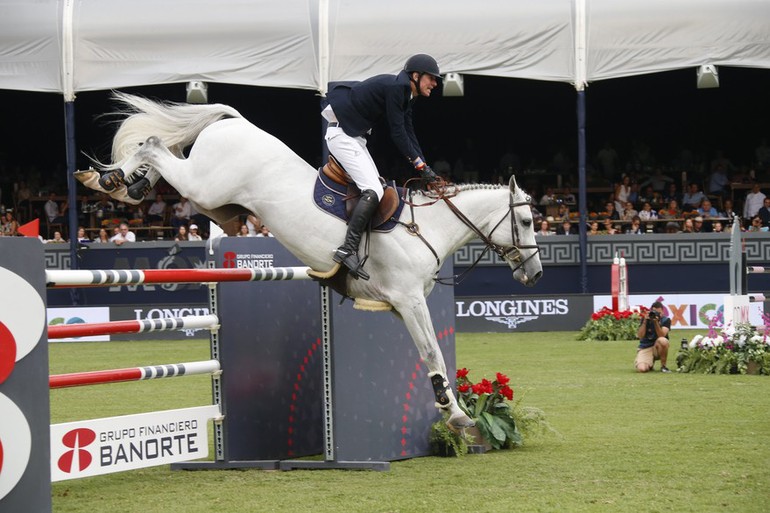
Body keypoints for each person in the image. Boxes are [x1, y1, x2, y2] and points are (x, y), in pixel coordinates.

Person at [322, 54, 440, 280]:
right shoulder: (398, 88)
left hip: (353, 136)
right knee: (374, 191)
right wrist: (419, 166)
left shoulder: (406, 92)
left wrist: (425, 166)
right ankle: (347, 249)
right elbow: (397, 133)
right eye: (431, 78)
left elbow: (409, 132)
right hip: (342, 135)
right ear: (416, 76)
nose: (434, 84)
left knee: (377, 186)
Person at [635, 301, 671, 373]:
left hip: (658, 347)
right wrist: (645, 321)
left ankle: (663, 366)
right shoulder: (646, 319)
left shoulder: (666, 320)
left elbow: (662, 335)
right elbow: (640, 336)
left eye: (659, 313)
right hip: (646, 347)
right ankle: (649, 364)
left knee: (663, 341)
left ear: (663, 312)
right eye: (654, 312)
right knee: (642, 369)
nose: (656, 315)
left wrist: (656, 322)